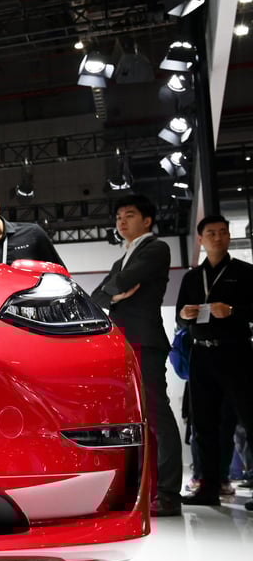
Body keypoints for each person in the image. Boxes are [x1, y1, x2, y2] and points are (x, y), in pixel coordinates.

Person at [90, 194, 182, 516]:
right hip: (124, 342)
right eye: (118, 217)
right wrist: (115, 294)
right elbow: (95, 295)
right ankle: (151, 491)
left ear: (147, 221)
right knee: (136, 421)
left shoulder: (156, 248)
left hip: (145, 339)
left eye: (129, 215)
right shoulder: (121, 259)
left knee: (156, 415)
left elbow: (121, 283)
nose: (122, 221)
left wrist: (114, 291)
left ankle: (169, 494)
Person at [175, 215, 253, 509]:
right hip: (201, 354)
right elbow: (178, 317)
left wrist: (232, 310)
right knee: (204, 424)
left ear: (229, 236)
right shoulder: (192, 278)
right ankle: (209, 486)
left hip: (236, 352)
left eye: (223, 232)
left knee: (248, 418)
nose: (218, 237)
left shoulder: (245, 272)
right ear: (200, 239)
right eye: (211, 233)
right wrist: (184, 315)